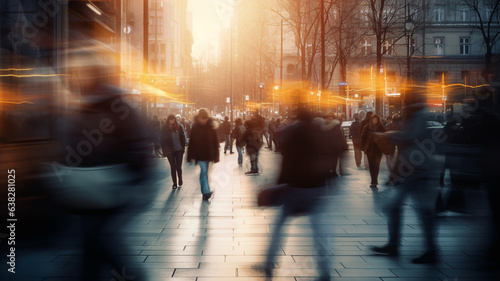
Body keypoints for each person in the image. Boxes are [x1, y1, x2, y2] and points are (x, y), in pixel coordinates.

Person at [260, 108, 331, 280]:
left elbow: (287, 160)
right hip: (316, 187)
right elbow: (329, 155)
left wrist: (279, 184)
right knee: (319, 231)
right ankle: (325, 270)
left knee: (279, 226)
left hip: (296, 188)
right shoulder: (319, 132)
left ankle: (268, 264)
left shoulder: (293, 132)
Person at [371, 102, 441, 263]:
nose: (402, 111)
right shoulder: (414, 118)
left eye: (404, 108)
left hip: (420, 172)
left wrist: (387, 135)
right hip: (410, 172)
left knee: (423, 211)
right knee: (397, 207)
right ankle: (395, 244)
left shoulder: (419, 117)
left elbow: (409, 137)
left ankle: (430, 249)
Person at [187, 109, 220, 200]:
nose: (203, 121)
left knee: (204, 173)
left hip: (209, 154)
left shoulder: (211, 126)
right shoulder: (195, 127)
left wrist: (216, 156)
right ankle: (206, 192)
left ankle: (205, 190)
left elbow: (215, 142)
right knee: (204, 171)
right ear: (198, 118)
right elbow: (191, 142)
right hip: (199, 154)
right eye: (201, 118)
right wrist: (189, 156)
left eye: (205, 119)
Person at [314, 112, 348, 178]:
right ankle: (329, 171)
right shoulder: (322, 125)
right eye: (328, 117)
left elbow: (340, 135)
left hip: (334, 146)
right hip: (326, 146)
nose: (329, 118)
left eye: (331, 117)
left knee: (334, 159)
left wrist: (343, 144)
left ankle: (333, 171)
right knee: (328, 159)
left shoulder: (335, 125)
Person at [161, 114, 187, 189]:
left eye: (173, 119)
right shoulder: (165, 128)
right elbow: (162, 140)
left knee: (178, 166)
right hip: (170, 151)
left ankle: (180, 178)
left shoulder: (179, 127)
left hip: (179, 150)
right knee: (173, 167)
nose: (172, 121)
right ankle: (174, 183)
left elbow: (182, 136)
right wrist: (164, 150)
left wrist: (183, 147)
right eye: (171, 119)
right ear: (168, 120)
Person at [360, 114, 386, 188]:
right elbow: (363, 138)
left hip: (378, 150)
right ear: (371, 120)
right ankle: (373, 181)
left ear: (378, 120)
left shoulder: (381, 127)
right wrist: (362, 147)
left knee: (376, 166)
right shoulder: (367, 127)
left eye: (376, 120)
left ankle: (375, 180)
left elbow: (385, 137)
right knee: (371, 166)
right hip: (369, 150)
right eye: (373, 120)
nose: (375, 121)